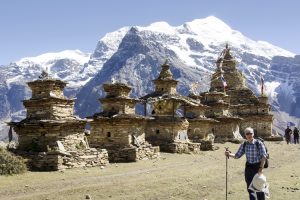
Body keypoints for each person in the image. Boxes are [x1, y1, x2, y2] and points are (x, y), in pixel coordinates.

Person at [225, 127, 267, 200]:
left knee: (259, 188)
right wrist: (229, 154)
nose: (249, 135)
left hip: (258, 168)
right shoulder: (244, 144)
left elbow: (264, 157)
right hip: (248, 169)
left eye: (250, 133)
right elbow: (237, 155)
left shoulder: (258, 143)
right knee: (250, 189)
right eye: (247, 134)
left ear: (253, 134)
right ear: (245, 135)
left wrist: (260, 169)